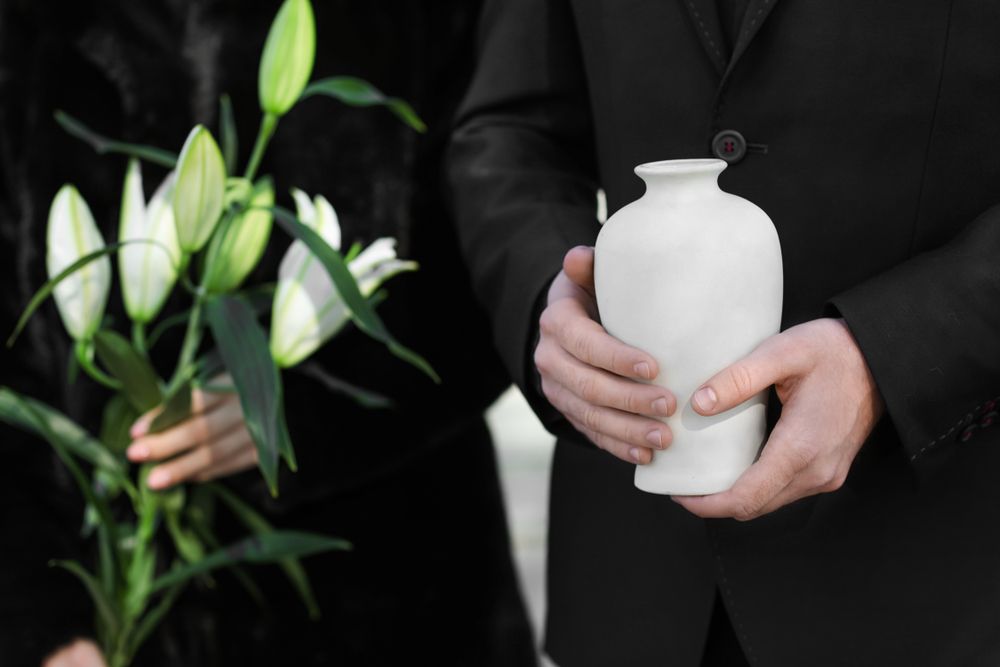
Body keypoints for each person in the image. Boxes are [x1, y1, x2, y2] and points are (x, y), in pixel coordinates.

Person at [446, 0, 1000, 665]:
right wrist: (551, 296)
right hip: (633, 585)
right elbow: (509, 130)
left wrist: (893, 353)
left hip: (943, 574)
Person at [0, 1, 536, 665]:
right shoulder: (31, 29)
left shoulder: (425, 23)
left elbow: (502, 261)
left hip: (399, 589)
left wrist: (301, 410)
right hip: (106, 610)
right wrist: (41, 625)